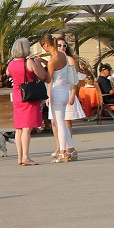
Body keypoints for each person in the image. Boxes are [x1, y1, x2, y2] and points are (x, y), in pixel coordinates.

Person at [6, 38, 48, 166]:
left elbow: (8, 74)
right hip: (28, 95)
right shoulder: (28, 62)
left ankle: (19, 157)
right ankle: (26, 157)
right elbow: (42, 76)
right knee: (27, 128)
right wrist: (38, 63)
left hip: (17, 94)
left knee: (19, 128)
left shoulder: (11, 64)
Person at [41, 34, 75, 163]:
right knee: (62, 123)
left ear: (46, 45)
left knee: (59, 124)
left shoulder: (52, 61)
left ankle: (63, 152)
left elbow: (49, 79)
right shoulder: (63, 55)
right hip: (65, 91)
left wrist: (41, 67)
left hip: (56, 92)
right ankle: (70, 148)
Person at [57, 38, 85, 158]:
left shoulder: (70, 60)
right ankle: (60, 146)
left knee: (67, 120)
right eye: (59, 45)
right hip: (57, 91)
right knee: (56, 121)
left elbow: (75, 79)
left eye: (64, 45)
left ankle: (69, 146)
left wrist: (73, 94)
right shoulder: (54, 59)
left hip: (68, 91)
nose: (62, 47)